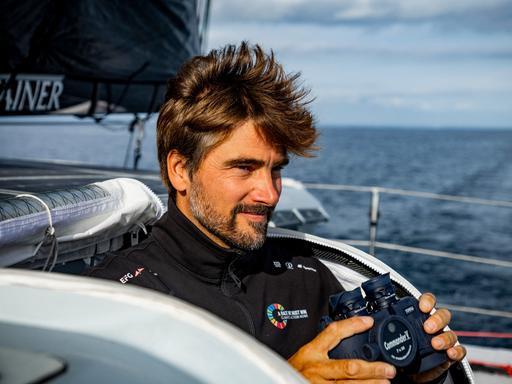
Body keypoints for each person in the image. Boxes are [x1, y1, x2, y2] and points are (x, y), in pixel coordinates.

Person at [86, 42, 466, 383]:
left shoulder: (307, 277)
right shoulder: (119, 300)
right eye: (244, 168)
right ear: (180, 170)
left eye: (277, 169)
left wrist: (416, 374)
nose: (269, 193)